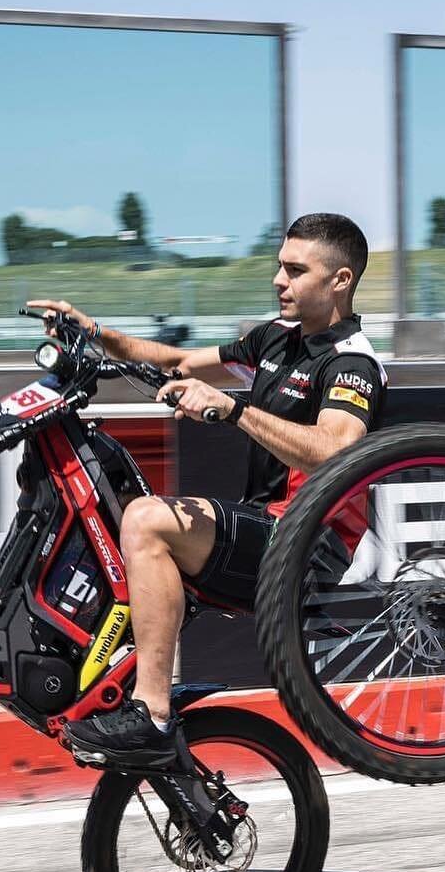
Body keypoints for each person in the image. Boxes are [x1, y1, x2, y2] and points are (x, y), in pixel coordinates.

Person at [28, 212, 384, 768]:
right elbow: (176, 361)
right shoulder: (275, 339)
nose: (278, 280)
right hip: (265, 523)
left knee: (147, 521)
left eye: (295, 270)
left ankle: (151, 711)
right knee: (111, 510)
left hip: (305, 543)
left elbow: (334, 450)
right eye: (278, 267)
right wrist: (92, 333)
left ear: (340, 281)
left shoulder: (352, 362)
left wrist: (232, 408)